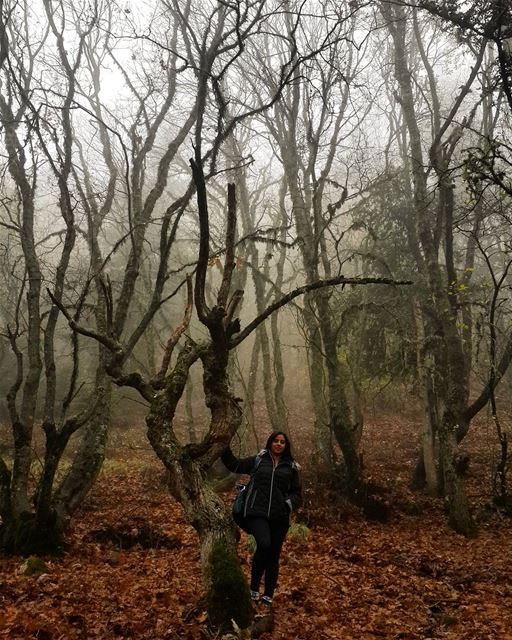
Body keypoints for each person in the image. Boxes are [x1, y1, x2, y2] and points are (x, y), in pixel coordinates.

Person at [221, 431, 302, 608]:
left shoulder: (291, 467)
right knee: (264, 544)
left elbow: (297, 494)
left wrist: (288, 503)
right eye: (276, 441)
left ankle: (268, 595)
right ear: (270, 442)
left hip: (280, 518)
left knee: (273, 555)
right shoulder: (258, 460)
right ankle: (254, 587)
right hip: (256, 512)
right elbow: (234, 465)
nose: (279, 444)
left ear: (286, 446)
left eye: (282, 442)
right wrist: (223, 445)